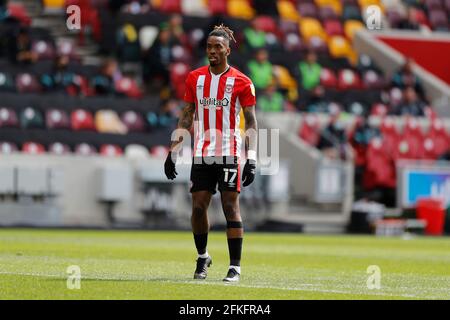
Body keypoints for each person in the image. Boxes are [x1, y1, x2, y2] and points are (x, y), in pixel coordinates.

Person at [164, 24, 258, 283]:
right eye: (209, 47)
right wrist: (174, 150)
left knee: (230, 206)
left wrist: (251, 158)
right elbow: (187, 114)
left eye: (218, 46)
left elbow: (251, 122)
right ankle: (203, 256)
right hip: (202, 153)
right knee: (197, 207)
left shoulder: (242, 82)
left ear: (228, 49)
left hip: (229, 151)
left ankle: (235, 267)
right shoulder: (195, 78)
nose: (213, 51)